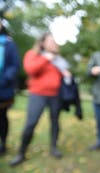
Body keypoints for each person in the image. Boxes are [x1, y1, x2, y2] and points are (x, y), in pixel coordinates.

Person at [10, 33, 67, 166]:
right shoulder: (33, 54)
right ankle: (21, 153)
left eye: (54, 41)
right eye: (50, 41)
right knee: (31, 123)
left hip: (55, 95)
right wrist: (46, 58)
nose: (53, 44)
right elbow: (30, 70)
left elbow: (62, 74)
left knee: (55, 122)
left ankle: (54, 148)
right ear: (42, 42)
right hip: (38, 94)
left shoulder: (58, 59)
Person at [0, 21, 20, 155]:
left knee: (1, 118)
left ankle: (3, 144)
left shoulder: (8, 43)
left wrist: (3, 80)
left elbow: (14, 65)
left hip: (3, 89)